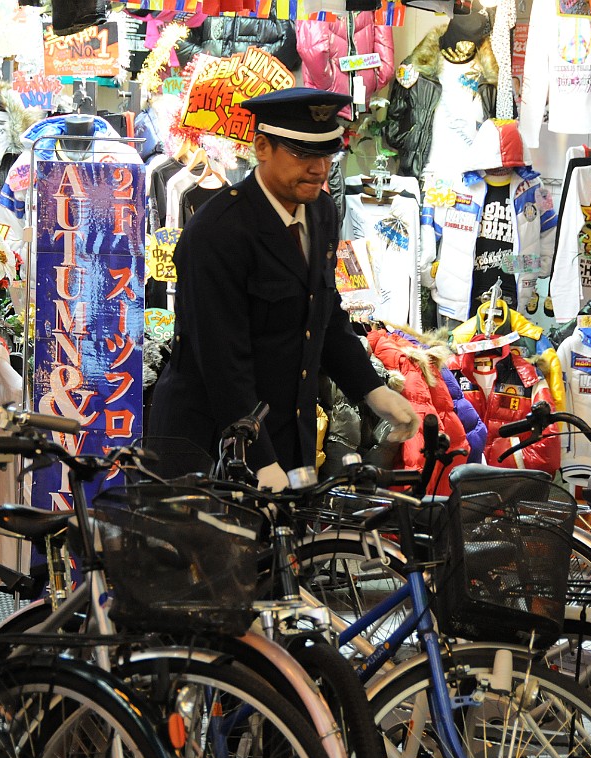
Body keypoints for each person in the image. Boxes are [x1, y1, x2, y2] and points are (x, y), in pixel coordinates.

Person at [147, 87, 419, 491]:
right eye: (302, 154)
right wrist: (258, 459)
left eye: (327, 154)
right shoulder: (218, 231)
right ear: (262, 148)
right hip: (212, 442)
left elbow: (324, 315)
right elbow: (221, 359)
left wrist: (372, 389)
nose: (319, 169)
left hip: (290, 434)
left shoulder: (322, 212)